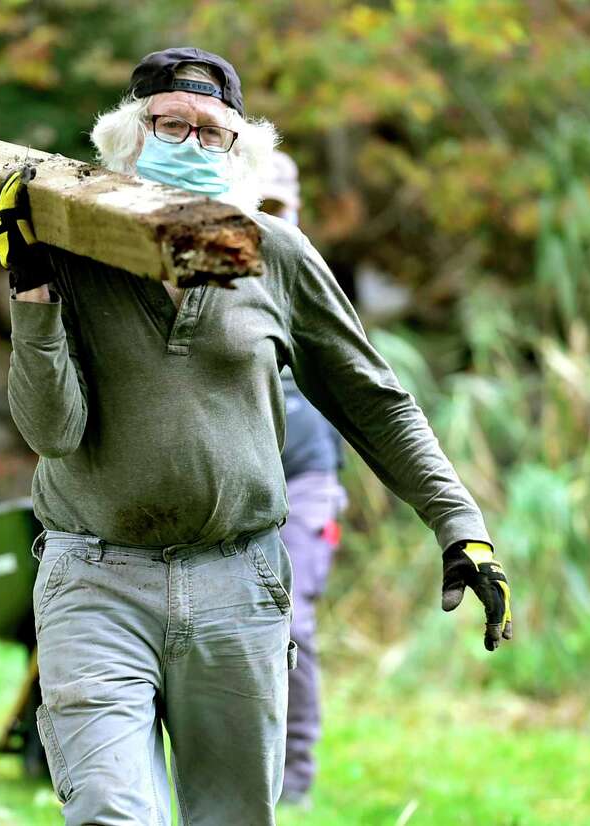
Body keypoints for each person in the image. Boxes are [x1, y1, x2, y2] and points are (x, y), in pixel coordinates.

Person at [0, 47, 513, 825]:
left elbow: (376, 403)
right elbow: (51, 430)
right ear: (128, 137)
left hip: (237, 583)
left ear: (241, 151)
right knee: (108, 812)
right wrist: (32, 292)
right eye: (170, 125)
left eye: (213, 132)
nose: (191, 145)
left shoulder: (275, 256)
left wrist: (459, 524)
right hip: (95, 579)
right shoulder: (65, 251)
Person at [260, 149, 347, 807]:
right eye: (256, 205)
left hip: (307, 477)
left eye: (277, 207)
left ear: (297, 210)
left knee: (291, 622)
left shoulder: (310, 278)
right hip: (232, 481)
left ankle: (295, 778)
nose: (267, 219)